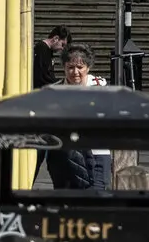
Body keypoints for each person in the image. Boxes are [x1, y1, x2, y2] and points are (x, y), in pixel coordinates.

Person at [44, 46, 109, 190]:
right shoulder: (54, 91)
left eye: (80, 67)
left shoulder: (101, 88)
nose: (75, 72)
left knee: (95, 200)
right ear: (64, 67)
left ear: (88, 67)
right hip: (63, 156)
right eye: (70, 67)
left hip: (96, 153)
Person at [33, 23, 69, 91]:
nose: (62, 49)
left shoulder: (47, 50)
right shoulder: (42, 49)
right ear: (56, 38)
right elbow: (42, 76)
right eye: (62, 45)